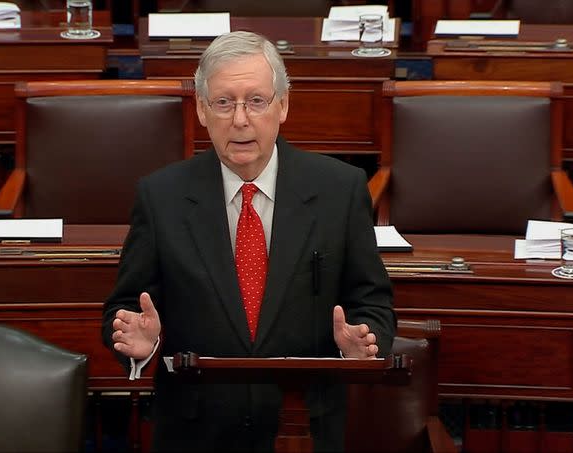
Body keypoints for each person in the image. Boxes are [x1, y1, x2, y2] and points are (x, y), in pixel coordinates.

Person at [102, 31, 395, 452]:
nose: (240, 119)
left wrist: (363, 341)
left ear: (283, 105)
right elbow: (126, 306)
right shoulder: (160, 196)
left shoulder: (340, 189)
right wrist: (138, 343)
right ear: (202, 109)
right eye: (223, 102)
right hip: (195, 431)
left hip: (304, 428)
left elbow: (373, 302)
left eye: (256, 101)